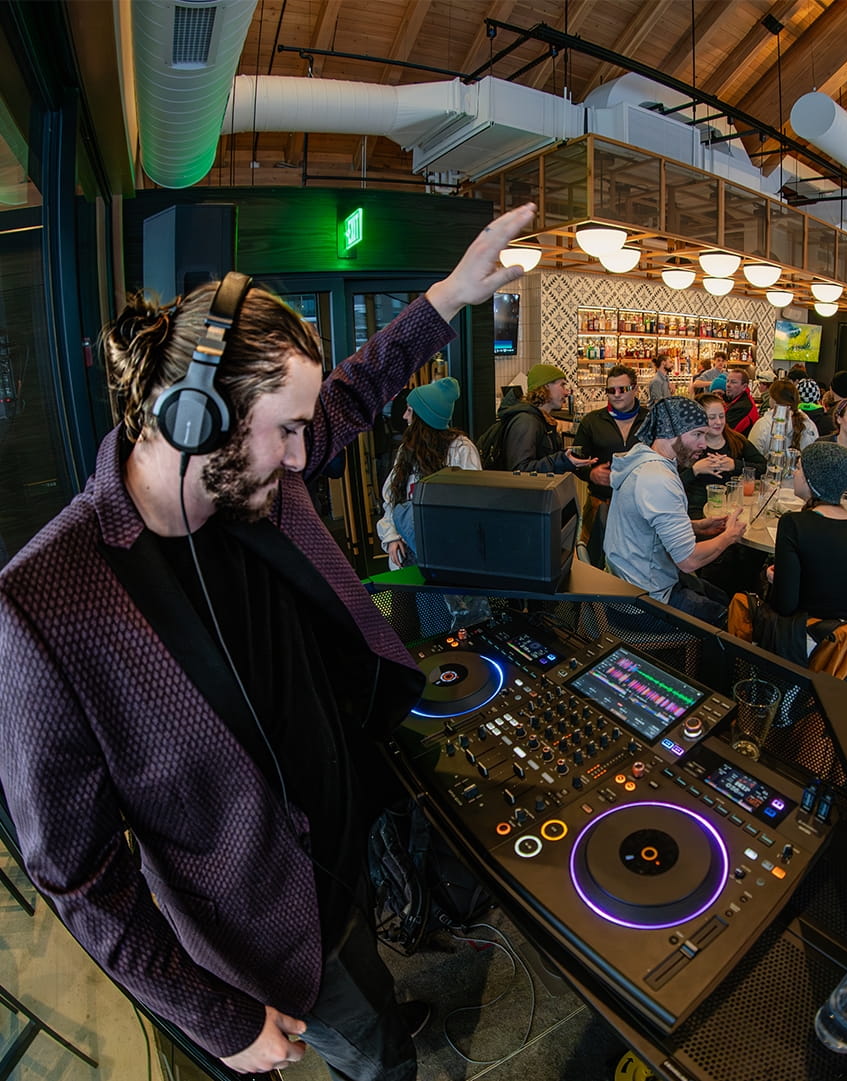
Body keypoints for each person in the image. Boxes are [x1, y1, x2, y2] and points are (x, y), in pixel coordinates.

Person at [0, 203, 537, 1079]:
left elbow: (355, 391)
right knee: (377, 1061)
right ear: (195, 419)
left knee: (363, 982)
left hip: (347, 840)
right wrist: (213, 1017)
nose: (301, 457)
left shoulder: (246, 470)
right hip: (268, 923)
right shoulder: (47, 603)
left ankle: (375, 1004)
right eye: (285, 429)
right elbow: (78, 875)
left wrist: (444, 298)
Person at [605, 396, 746, 624]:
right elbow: (688, 560)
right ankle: (691, 659)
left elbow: (647, 526)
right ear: (671, 432)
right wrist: (729, 537)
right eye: (697, 434)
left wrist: (697, 526)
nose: (704, 444)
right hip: (643, 603)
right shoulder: (658, 478)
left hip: (626, 585)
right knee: (729, 619)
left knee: (722, 597)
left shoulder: (643, 461)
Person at [767, 440, 847, 641]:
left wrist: (776, 579)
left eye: (799, 468)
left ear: (811, 479)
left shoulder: (793, 524)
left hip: (812, 641)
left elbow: (784, 605)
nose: (795, 473)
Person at [377, 377, 480, 569]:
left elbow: (472, 506)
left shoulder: (461, 449)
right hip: (405, 558)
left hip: (448, 559)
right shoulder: (407, 450)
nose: (404, 416)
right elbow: (392, 498)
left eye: (409, 410)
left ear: (423, 417)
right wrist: (391, 536)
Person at [575, 365, 648, 559]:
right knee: (596, 560)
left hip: (643, 504)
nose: (616, 395)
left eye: (622, 389)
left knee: (636, 560)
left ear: (635, 388)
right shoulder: (592, 421)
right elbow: (576, 461)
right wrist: (590, 473)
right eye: (610, 390)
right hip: (602, 503)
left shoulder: (650, 419)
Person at [498, 363, 595, 474]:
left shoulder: (541, 419)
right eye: (562, 385)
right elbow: (520, 470)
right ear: (546, 387)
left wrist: (566, 458)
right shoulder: (526, 422)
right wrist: (560, 460)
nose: (566, 392)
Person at [680, 392, 766, 517]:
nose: (719, 422)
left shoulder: (736, 440)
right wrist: (695, 470)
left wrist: (735, 465)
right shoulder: (688, 446)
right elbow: (672, 484)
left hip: (730, 510)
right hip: (695, 513)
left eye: (721, 416)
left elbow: (763, 468)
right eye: (712, 417)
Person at [747, 379, 817, 458]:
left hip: (769, 469)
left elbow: (751, 457)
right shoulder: (810, 424)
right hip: (800, 470)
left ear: (773, 398)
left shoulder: (763, 424)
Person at [722, 366, 759, 434]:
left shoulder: (742, 407)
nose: (728, 385)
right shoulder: (734, 401)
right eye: (727, 381)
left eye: (733, 382)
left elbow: (724, 432)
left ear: (744, 387)